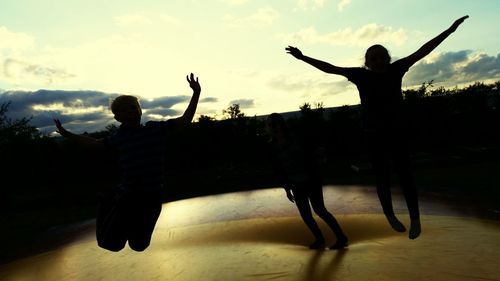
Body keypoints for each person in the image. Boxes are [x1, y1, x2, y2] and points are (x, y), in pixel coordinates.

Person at [286, 16, 468, 239]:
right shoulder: (360, 75)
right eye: (374, 59)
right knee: (382, 177)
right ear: (367, 62)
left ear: (388, 59)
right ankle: (390, 215)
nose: (379, 61)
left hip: (397, 132)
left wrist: (450, 30)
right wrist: (303, 58)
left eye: (382, 58)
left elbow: (424, 50)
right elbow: (330, 69)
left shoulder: (397, 69)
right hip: (374, 134)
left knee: (406, 176)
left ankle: (415, 218)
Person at [53, 73, 201, 251]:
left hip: (152, 197)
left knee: (139, 246)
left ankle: (127, 224)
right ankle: (106, 205)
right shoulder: (119, 137)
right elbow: (94, 144)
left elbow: (185, 120)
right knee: (110, 244)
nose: (130, 111)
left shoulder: (155, 129)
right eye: (124, 110)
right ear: (117, 118)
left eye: (132, 107)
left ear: (140, 111)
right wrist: (66, 134)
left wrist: (196, 93)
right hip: (128, 197)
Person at [266, 113, 348, 250]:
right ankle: (320, 240)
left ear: (282, 125)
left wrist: (320, 155)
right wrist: (286, 188)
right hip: (296, 184)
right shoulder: (272, 146)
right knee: (306, 215)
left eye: (276, 124)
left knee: (320, 210)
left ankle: (341, 237)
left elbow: (312, 152)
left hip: (311, 180)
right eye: (270, 125)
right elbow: (278, 170)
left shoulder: (295, 138)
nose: (273, 128)